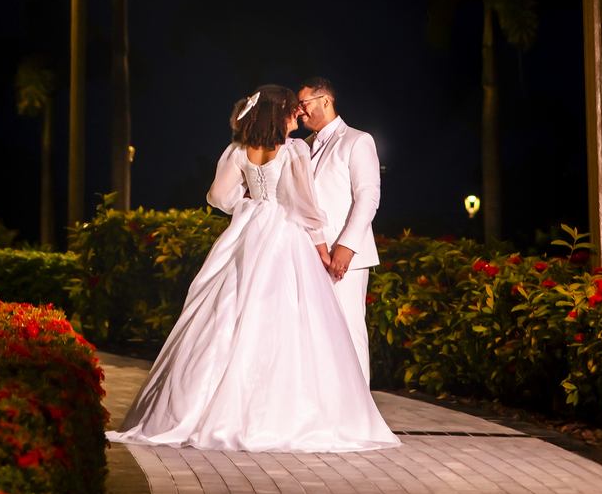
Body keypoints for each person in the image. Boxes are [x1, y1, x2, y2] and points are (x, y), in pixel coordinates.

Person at [106, 85, 398, 453]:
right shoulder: (295, 150)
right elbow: (306, 209)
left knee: (233, 315)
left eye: (302, 107)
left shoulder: (239, 151)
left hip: (249, 235)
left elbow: (218, 196)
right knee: (294, 326)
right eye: (294, 110)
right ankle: (299, 413)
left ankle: (216, 409)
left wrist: (249, 204)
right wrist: (322, 251)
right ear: (280, 115)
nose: (299, 115)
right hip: (288, 239)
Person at [295, 78, 381, 383]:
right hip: (308, 254)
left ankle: (361, 415)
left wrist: (347, 245)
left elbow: (368, 197)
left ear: (325, 101)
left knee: (349, 331)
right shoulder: (302, 147)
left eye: (304, 104)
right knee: (313, 334)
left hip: (345, 257)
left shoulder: (357, 140)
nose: (300, 112)